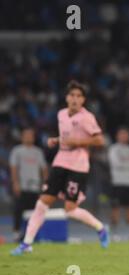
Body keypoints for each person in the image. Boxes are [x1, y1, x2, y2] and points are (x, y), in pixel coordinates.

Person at [11, 80, 109, 256]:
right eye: (72, 95)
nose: (75, 99)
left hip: (78, 166)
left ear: (83, 100)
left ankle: (100, 228)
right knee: (42, 203)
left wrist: (77, 142)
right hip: (59, 162)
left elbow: (100, 140)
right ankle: (26, 244)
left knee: (70, 210)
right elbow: (67, 136)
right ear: (66, 97)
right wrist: (56, 140)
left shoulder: (87, 118)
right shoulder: (61, 114)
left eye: (79, 96)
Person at [9, 128, 48, 242]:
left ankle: (31, 235)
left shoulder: (38, 152)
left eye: (31, 135)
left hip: (35, 187)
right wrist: (15, 183)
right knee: (18, 210)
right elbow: (14, 168)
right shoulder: (17, 151)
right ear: (22, 137)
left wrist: (45, 184)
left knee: (36, 212)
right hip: (22, 186)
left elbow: (44, 168)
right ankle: (16, 233)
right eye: (26, 135)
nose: (29, 137)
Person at [108, 127, 129, 241]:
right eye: (121, 134)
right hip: (117, 182)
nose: (124, 137)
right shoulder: (113, 149)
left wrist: (126, 165)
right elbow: (116, 164)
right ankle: (112, 234)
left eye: (126, 134)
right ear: (117, 136)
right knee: (115, 209)